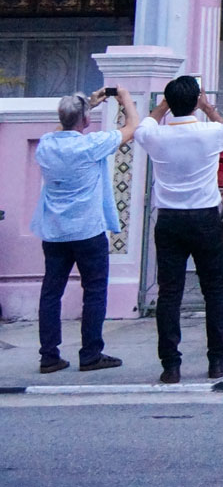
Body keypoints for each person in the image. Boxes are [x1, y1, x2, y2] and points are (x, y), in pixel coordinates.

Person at [134, 75, 223, 383]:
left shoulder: (157, 136)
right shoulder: (209, 133)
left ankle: (170, 364)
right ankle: (217, 361)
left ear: (169, 103)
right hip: (204, 217)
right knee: (214, 290)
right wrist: (208, 107)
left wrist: (162, 106)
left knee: (170, 293)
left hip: (169, 219)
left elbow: (142, 128)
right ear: (196, 101)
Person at [32, 87, 138, 373]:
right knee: (94, 290)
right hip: (88, 230)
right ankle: (90, 353)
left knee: (51, 292)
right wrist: (125, 98)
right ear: (86, 121)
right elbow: (131, 128)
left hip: (55, 230)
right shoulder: (91, 145)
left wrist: (85, 106)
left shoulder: (45, 145)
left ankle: (49, 355)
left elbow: (61, 129)